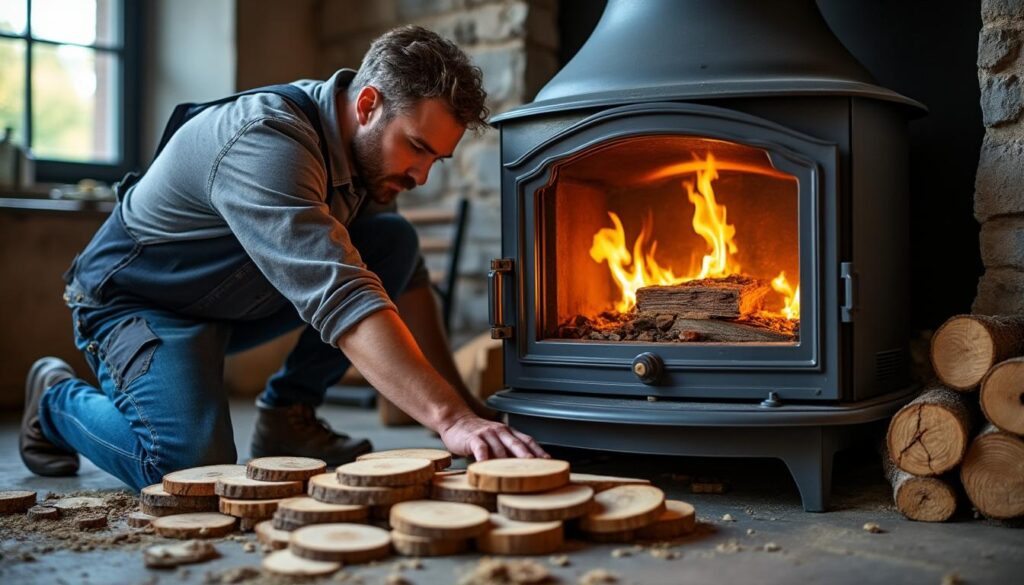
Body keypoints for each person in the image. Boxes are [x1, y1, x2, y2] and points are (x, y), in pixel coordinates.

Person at [19, 25, 547, 491]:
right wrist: (450, 418)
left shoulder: (360, 161)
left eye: (436, 158)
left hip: (223, 299)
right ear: (367, 105)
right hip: (134, 305)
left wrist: (467, 415)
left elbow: (405, 279)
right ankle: (54, 399)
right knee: (185, 467)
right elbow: (342, 297)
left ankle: (286, 416)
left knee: (393, 243)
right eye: (416, 147)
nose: (421, 175)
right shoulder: (267, 141)